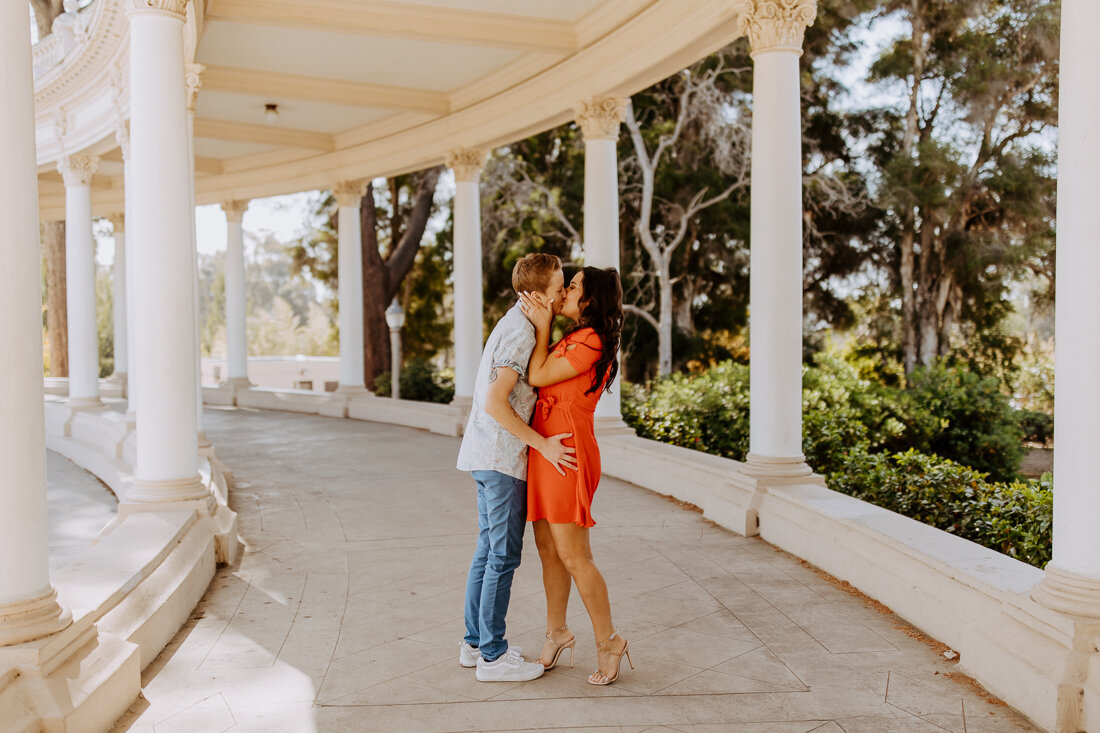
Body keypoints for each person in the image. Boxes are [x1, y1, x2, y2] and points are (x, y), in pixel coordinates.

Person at [455, 252, 577, 683]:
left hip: (487, 455)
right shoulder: (521, 331)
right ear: (536, 295)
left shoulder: (520, 324)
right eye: (560, 286)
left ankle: (475, 645)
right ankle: (492, 656)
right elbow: (495, 401)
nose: (564, 293)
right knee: (502, 556)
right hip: (501, 459)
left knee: (488, 552)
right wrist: (543, 445)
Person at [518, 266, 634, 686]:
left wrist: (543, 324)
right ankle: (557, 633)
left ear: (590, 300)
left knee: (575, 556)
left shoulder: (591, 339)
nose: (565, 291)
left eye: (573, 286)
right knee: (549, 550)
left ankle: (609, 640)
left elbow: (538, 376)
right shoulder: (575, 337)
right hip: (546, 447)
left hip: (565, 451)